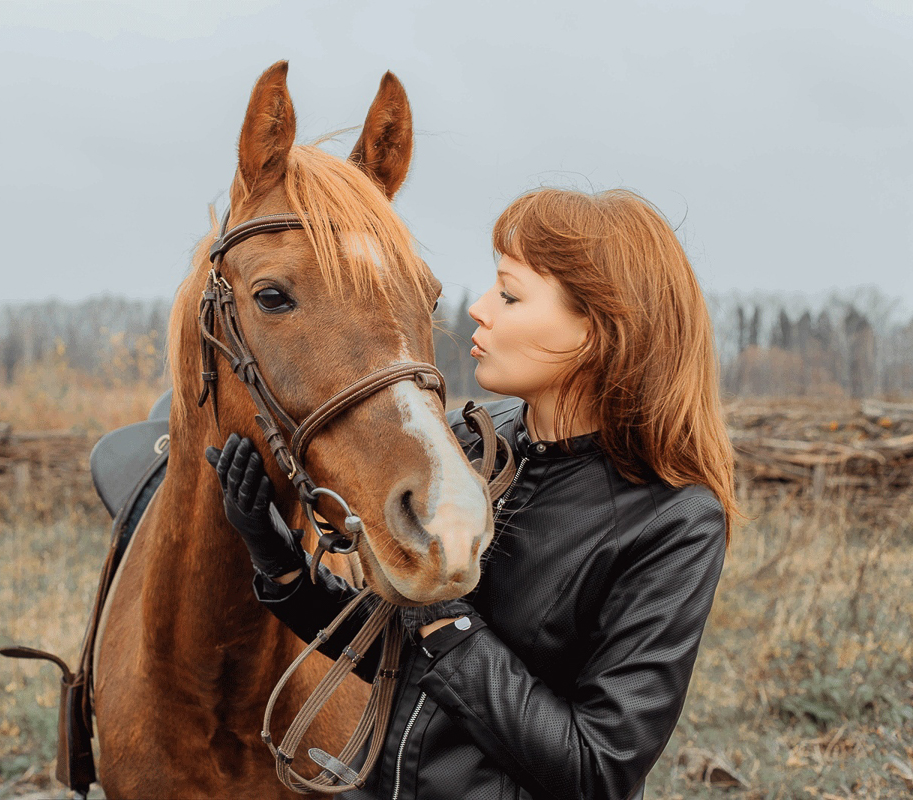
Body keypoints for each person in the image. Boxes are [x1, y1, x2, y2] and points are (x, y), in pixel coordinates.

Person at [205, 187, 737, 800]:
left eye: (509, 295)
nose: (479, 309)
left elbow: (600, 769)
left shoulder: (675, 519)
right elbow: (395, 654)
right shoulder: (469, 445)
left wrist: (445, 613)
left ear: (599, 329)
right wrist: (279, 564)